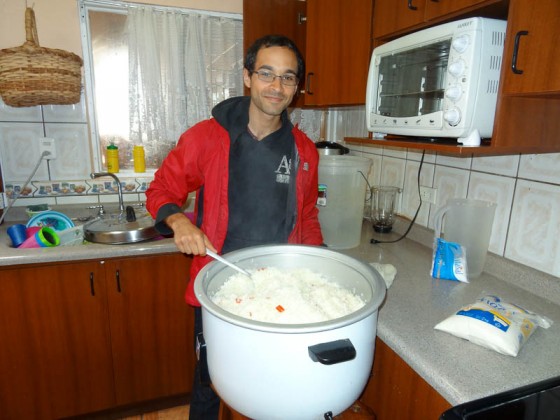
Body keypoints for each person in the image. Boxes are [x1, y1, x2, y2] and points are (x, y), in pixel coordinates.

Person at [146, 34, 323, 419]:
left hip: (279, 287)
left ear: (297, 86)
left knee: (276, 380)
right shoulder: (207, 137)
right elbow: (161, 190)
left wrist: (317, 265)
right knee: (211, 379)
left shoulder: (304, 150)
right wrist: (179, 221)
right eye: (266, 73)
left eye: (288, 77)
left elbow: (307, 216)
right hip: (219, 285)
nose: (277, 87)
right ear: (247, 76)